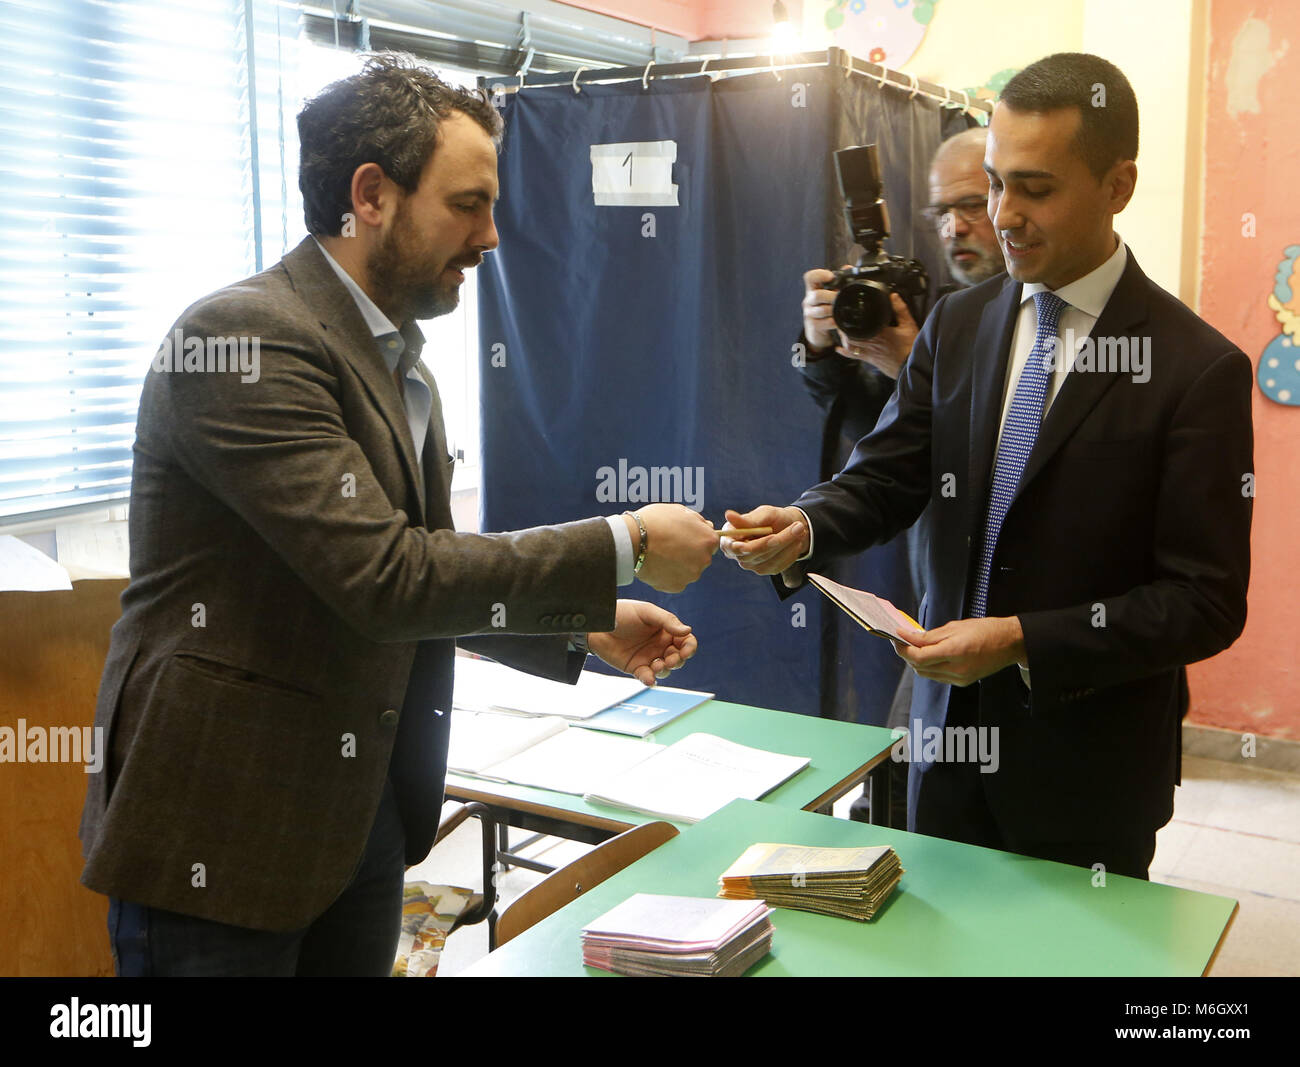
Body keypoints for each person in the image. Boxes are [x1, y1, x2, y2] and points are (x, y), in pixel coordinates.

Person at [78, 53, 719, 976]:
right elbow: (386, 577)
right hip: (222, 837)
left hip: (356, 819)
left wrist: (587, 619)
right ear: (371, 195)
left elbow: (421, 561)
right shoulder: (240, 341)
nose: (493, 236)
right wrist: (627, 543)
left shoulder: (394, 354)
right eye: (468, 204)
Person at [726, 52, 1252, 880]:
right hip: (941, 747)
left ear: (1119, 184)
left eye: (1034, 188)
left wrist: (1018, 640)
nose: (1003, 215)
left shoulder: (1195, 368)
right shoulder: (959, 326)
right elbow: (888, 474)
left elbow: (1205, 601)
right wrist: (805, 523)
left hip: (1085, 780)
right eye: (997, 183)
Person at [797, 128, 1004, 822]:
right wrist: (826, 351)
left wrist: (916, 365)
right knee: (900, 804)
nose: (958, 225)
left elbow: (1006, 459)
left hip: (1035, 642)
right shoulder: (938, 305)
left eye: (976, 202)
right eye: (943, 210)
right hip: (939, 613)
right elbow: (882, 443)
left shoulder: (1077, 329)